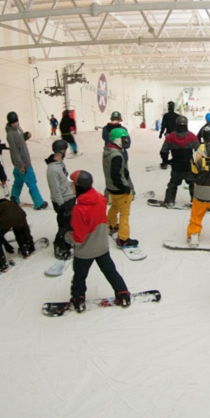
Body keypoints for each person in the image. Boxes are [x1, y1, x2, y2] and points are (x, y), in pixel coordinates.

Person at [64, 170, 131, 313]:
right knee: (110, 271)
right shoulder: (101, 199)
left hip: (85, 252)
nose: (70, 187)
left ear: (78, 187)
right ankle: (123, 293)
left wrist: (67, 236)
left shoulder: (79, 210)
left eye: (72, 185)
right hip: (102, 247)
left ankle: (78, 298)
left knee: (79, 276)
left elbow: (79, 237)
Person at [5, 111, 48, 210]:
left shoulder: (18, 129)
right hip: (23, 164)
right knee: (32, 182)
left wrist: (25, 136)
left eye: (16, 122)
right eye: (13, 123)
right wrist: (21, 165)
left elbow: (19, 140)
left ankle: (14, 198)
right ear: (9, 123)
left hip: (20, 164)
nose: (15, 124)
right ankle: (38, 203)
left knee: (18, 182)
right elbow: (15, 150)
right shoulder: (11, 134)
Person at [103, 128, 138, 248]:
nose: (126, 141)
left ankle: (112, 225)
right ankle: (123, 239)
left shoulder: (108, 150)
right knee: (124, 214)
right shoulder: (116, 155)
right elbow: (116, 175)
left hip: (111, 188)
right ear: (118, 140)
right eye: (124, 139)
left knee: (115, 206)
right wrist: (125, 188)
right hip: (120, 190)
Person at [159, 115, 199, 206]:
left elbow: (163, 151)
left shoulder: (170, 137)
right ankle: (196, 202)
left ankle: (169, 200)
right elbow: (199, 151)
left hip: (176, 166)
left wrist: (165, 161)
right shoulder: (192, 137)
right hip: (188, 166)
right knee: (193, 183)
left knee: (173, 183)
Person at [45, 140, 75, 260]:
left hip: (68, 198)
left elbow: (65, 179)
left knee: (69, 224)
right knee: (64, 225)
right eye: (65, 150)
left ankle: (67, 243)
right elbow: (55, 189)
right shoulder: (52, 169)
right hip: (62, 202)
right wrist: (62, 205)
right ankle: (60, 247)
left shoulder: (60, 164)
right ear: (62, 151)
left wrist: (71, 187)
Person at [0, 198, 36, 271]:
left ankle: (1, 264)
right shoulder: (13, 205)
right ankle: (25, 250)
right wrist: (31, 245)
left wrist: (5, 244)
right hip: (20, 217)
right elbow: (26, 230)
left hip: (5, 221)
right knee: (19, 230)